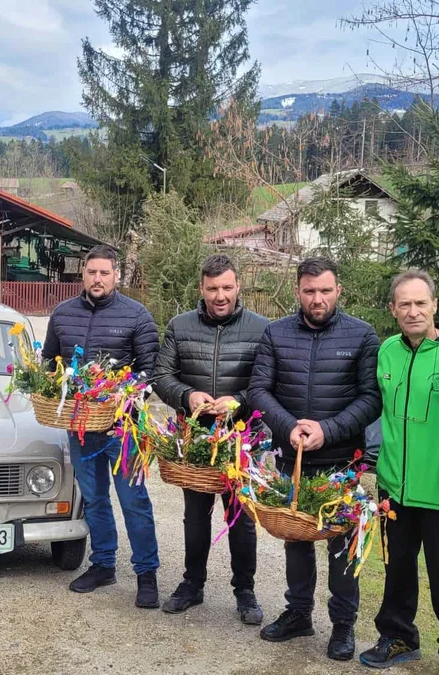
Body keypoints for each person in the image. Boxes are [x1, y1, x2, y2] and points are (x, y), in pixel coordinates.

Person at [247, 255, 381, 662]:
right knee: (297, 538)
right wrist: (289, 426)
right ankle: (298, 613)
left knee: (341, 544)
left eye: (325, 290)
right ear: (298, 292)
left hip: (341, 459)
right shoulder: (276, 333)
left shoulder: (363, 336)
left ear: (338, 290)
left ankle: (343, 625)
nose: (317, 298)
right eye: (310, 291)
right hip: (294, 456)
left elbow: (372, 398)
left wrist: (329, 430)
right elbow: (259, 390)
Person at [359, 270, 439, 675]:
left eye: (420, 303)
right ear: (393, 309)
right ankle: (398, 639)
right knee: (397, 572)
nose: (413, 311)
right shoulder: (387, 351)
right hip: (394, 489)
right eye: (404, 304)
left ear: (435, 306)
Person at [40, 244, 161, 608]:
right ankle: (103, 564)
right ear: (83, 274)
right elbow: (50, 361)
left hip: (123, 428)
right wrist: (50, 386)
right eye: (92, 272)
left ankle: (146, 574)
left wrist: (119, 394)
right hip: (79, 427)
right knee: (94, 499)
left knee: (133, 501)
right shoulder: (62, 314)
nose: (97, 278)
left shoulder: (137, 316)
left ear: (116, 276)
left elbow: (150, 371)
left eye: (104, 273)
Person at [152, 254, 269, 624]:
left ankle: (245, 591)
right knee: (195, 516)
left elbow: (268, 383)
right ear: (201, 288)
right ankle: (192, 583)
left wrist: (241, 401)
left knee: (241, 517)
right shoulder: (179, 325)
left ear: (238, 287)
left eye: (227, 287)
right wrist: (187, 397)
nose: (220, 295)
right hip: (196, 438)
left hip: (241, 439)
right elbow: (162, 375)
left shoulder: (263, 329)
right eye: (213, 288)